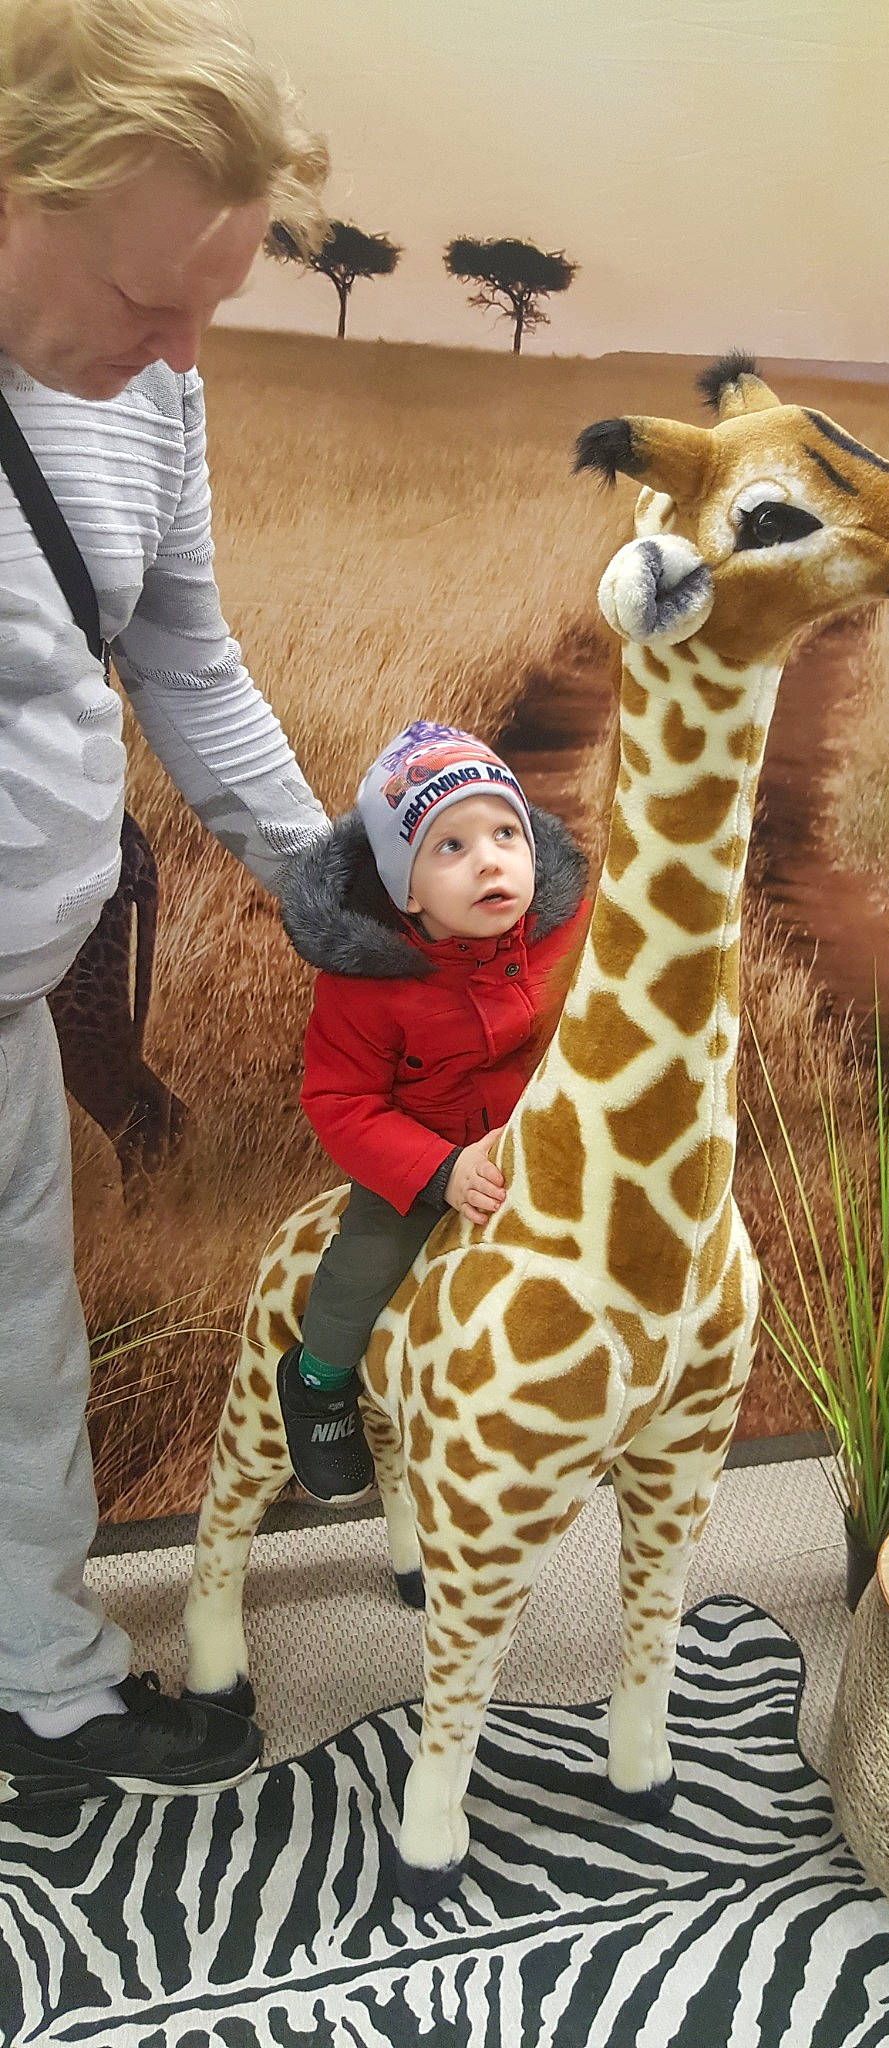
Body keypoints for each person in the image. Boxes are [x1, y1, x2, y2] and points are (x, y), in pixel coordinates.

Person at [0, 0, 333, 1807]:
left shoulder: (151, 392)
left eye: (213, 307)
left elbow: (181, 655)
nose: (183, 355)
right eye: (151, 300)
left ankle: (44, 1694)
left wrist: (314, 878)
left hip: (14, 994)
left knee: (23, 1357)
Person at [276, 721, 589, 1502]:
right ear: (405, 890)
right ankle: (318, 1381)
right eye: (451, 846)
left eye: (506, 834)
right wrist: (438, 1170)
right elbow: (339, 1101)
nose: (490, 859)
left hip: (544, 1144)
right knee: (368, 1259)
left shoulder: (568, 934)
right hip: (421, 1161)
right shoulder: (366, 984)